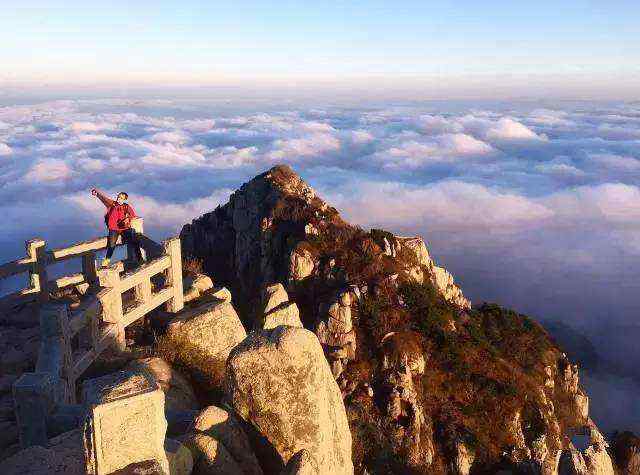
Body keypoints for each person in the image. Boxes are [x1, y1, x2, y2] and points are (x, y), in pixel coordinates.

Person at [91, 188, 143, 267]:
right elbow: (104, 199)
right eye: (118, 197)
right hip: (114, 229)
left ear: (125, 199)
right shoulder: (112, 204)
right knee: (111, 246)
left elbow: (133, 215)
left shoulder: (126, 207)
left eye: (121, 198)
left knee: (134, 241)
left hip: (124, 228)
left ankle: (140, 259)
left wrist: (127, 219)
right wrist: (97, 194)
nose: (119, 199)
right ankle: (106, 261)